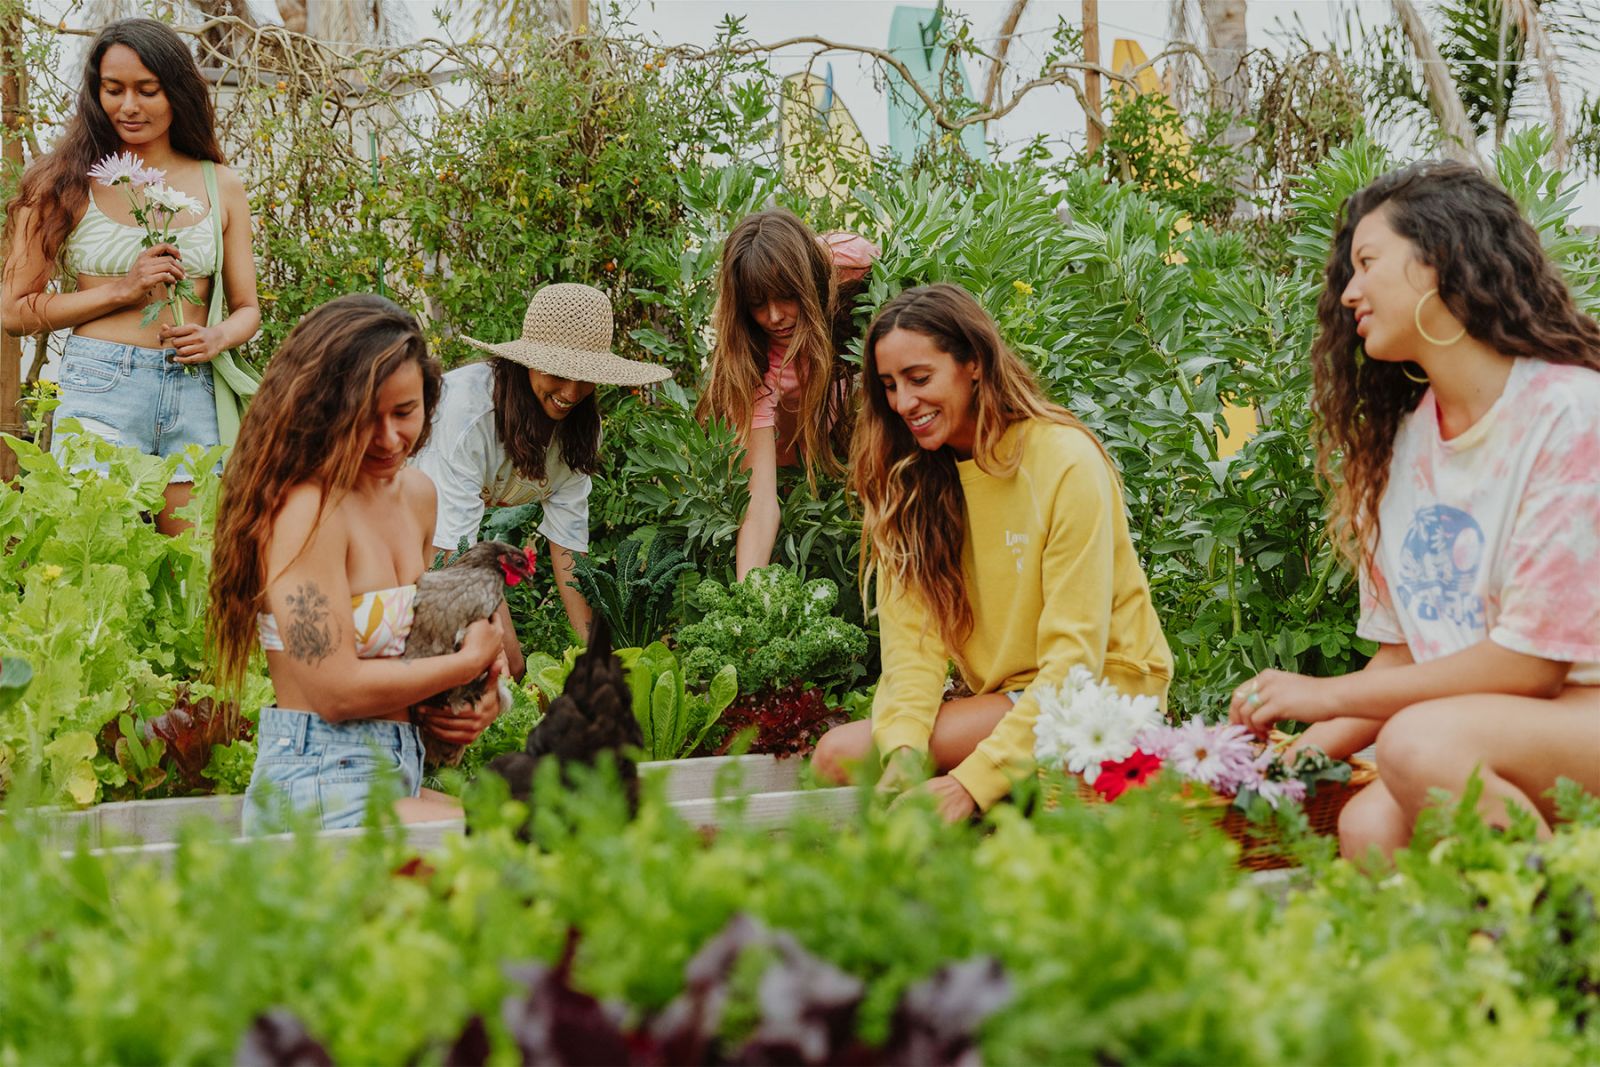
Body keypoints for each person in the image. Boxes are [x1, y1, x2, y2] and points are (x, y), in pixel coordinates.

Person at [1228, 162, 1600, 860]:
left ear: (1438, 265)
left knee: (1414, 743)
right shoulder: (1400, 450)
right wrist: (1277, 763)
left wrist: (1319, 694)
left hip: (1580, 711)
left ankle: (1569, 937)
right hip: (1485, 728)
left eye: (1367, 263)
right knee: (1367, 828)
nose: (1348, 292)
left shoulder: (1571, 412)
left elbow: (1533, 666)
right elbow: (1401, 653)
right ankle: (1491, 957)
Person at [811, 284, 1173, 822]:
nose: (904, 403)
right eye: (889, 386)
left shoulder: (1062, 460)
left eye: (919, 378)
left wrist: (970, 784)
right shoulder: (912, 481)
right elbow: (913, 649)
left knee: (865, 764)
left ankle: (1007, 795)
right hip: (1010, 698)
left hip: (1102, 694)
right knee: (840, 759)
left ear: (973, 364)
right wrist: (905, 753)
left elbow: (1076, 662)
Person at [209, 295, 513, 833]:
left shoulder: (417, 496)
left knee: (533, 834)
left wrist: (469, 704)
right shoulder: (308, 510)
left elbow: (409, 655)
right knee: (508, 849)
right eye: (365, 418)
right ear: (325, 409)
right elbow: (335, 690)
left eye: (404, 412)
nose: (390, 438)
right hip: (316, 782)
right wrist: (466, 664)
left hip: (396, 772)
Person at [1, 18, 261, 533]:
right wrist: (123, 289)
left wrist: (216, 337)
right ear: (95, 93)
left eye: (148, 90)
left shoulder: (221, 184)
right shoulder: (61, 183)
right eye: (113, 90)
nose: (129, 107)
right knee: (97, 556)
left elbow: (247, 309)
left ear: (177, 92)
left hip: (195, 389)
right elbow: (13, 312)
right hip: (101, 387)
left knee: (195, 569)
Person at [412, 283, 671, 649]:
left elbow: (568, 549)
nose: (570, 393)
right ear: (529, 361)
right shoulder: (467, 414)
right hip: (396, 525)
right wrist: (504, 658)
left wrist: (594, 654)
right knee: (493, 660)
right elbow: (453, 554)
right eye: (558, 374)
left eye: (584, 378)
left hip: (450, 540)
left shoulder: (582, 431)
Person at [695, 208, 878, 579]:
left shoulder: (852, 265)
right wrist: (749, 595)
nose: (775, 316)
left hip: (847, 445)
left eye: (786, 296)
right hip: (788, 466)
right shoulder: (754, 366)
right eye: (758, 304)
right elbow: (761, 504)